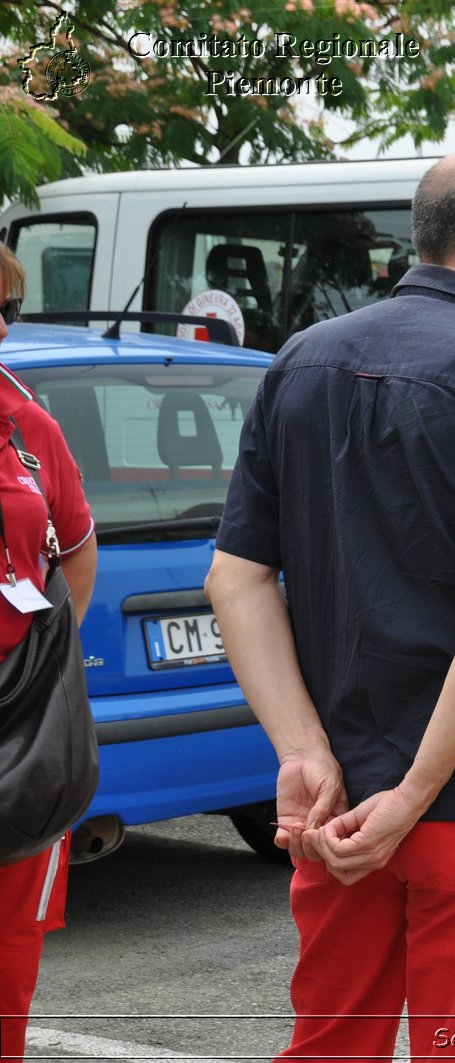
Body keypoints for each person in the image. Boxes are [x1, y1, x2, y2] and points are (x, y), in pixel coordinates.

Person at [205, 147, 455, 1061]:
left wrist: (302, 752)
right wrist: (416, 792)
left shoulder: (301, 359)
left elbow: (236, 576)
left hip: (335, 794)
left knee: (334, 1042)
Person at [0, 244, 98, 1061]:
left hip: (21, 728)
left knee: (9, 967)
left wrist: (49, 666)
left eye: (1, 311)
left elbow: (77, 546)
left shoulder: (27, 422)